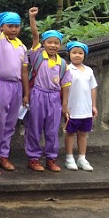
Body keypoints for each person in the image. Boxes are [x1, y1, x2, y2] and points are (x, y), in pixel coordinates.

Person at [0, 0, 29, 171]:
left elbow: (24, 72)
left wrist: (26, 93)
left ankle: (3, 154)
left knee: (10, 123)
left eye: (16, 26)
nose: (13, 29)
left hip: (16, 86)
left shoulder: (22, 46)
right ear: (2, 27)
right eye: (9, 26)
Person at [25, 10, 72, 172]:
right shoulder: (37, 56)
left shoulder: (63, 64)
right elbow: (35, 35)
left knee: (52, 130)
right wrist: (32, 18)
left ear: (60, 45)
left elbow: (65, 86)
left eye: (56, 43)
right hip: (38, 95)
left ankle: (51, 159)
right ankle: (33, 158)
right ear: (44, 43)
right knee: (34, 128)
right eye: (49, 42)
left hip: (54, 98)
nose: (53, 45)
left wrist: (64, 105)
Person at [63, 41, 98, 171]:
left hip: (86, 109)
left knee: (83, 133)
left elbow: (93, 88)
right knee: (70, 133)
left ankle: (82, 158)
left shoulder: (89, 70)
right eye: (74, 53)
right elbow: (64, 88)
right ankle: (69, 158)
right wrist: (65, 106)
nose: (77, 55)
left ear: (84, 55)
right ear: (69, 54)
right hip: (72, 108)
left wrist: (93, 106)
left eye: (80, 53)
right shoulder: (67, 69)